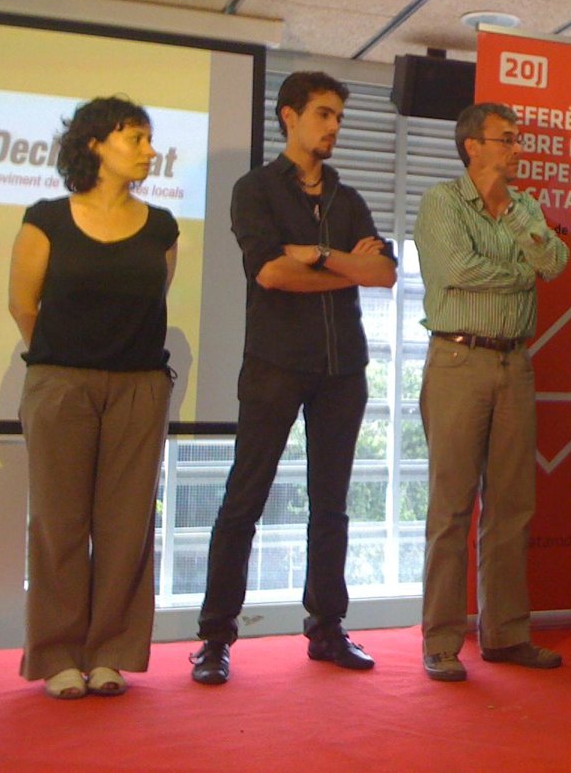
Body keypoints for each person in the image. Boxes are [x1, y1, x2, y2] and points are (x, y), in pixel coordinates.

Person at [191, 72, 397, 684]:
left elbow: (384, 274)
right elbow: (271, 274)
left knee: (331, 505)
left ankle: (326, 627)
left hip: (343, 368)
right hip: (275, 364)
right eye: (324, 114)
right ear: (289, 116)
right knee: (244, 498)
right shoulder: (254, 190)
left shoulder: (348, 199)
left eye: (339, 117)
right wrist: (347, 266)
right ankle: (215, 637)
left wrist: (320, 254)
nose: (334, 126)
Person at [8, 96, 177, 698]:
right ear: (95, 145)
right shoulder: (46, 219)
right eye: (136, 138)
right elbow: (22, 305)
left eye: (150, 139)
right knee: (58, 523)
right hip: (61, 384)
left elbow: (152, 301)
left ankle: (110, 653)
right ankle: (57, 655)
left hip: (139, 386)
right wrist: (67, 360)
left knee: (126, 525)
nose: (150, 151)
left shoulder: (162, 226)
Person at [414, 102, 569, 682]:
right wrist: (523, 272)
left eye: (517, 139)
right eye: (506, 139)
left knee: (512, 506)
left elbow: (556, 262)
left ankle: (505, 634)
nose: (517, 148)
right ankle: (441, 640)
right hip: (458, 359)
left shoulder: (523, 205)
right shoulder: (442, 202)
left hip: (515, 361)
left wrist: (517, 225)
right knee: (451, 506)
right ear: (472, 145)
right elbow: (458, 270)